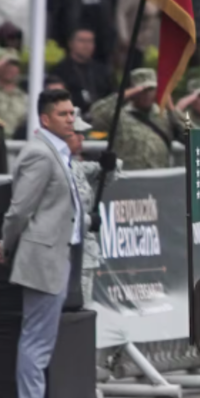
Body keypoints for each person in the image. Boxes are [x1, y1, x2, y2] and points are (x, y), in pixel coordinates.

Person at [0, 90, 114, 398]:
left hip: (60, 252)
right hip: (43, 255)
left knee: (42, 336)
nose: (69, 118)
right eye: (62, 113)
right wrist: (9, 244)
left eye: (71, 112)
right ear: (45, 119)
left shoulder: (59, 153)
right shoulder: (39, 155)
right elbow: (20, 209)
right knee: (37, 338)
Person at [68, 107, 120, 304]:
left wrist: (109, 164)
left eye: (83, 134)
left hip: (84, 253)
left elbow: (104, 175)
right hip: (67, 254)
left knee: (82, 311)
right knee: (72, 311)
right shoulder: (55, 165)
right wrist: (89, 220)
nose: (82, 139)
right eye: (77, 134)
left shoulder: (75, 165)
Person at [89, 69, 184, 170]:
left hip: (159, 177)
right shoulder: (119, 116)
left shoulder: (165, 116)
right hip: (129, 178)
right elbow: (95, 114)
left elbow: (192, 138)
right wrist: (124, 94)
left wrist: (172, 109)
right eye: (142, 91)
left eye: (151, 89)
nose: (147, 94)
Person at [51, 28, 114, 112]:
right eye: (82, 41)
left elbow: (112, 95)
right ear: (70, 43)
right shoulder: (60, 71)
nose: (86, 45)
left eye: (90, 41)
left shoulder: (102, 70)